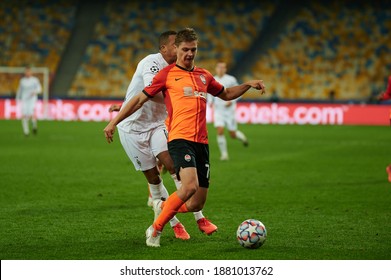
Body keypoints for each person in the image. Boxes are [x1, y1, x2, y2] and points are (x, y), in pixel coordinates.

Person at [103, 27, 266, 247]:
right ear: (177, 49)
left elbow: (226, 94)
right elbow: (140, 99)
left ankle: (163, 205)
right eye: (185, 49)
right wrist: (114, 121)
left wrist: (248, 85)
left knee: (196, 203)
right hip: (179, 138)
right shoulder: (166, 74)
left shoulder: (204, 75)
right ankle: (156, 229)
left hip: (202, 142)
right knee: (187, 187)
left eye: (193, 49)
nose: (189, 53)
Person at [108, 30, 216, 240]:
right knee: (153, 178)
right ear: (164, 48)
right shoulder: (152, 63)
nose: (181, 49)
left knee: (174, 166)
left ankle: (199, 216)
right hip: (131, 128)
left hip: (157, 124)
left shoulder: (181, 68)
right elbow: (152, 92)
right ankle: (174, 222)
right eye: (176, 45)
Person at [208, 61, 249, 161]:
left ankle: (243, 138)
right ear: (216, 68)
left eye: (223, 67)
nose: (221, 69)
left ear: (225, 69)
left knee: (232, 134)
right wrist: (210, 102)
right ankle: (224, 155)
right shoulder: (213, 79)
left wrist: (232, 100)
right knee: (220, 130)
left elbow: (240, 92)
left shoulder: (231, 79)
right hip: (218, 110)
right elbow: (209, 92)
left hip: (229, 111)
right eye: (219, 67)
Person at [16, 66, 42, 136]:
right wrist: (17, 98)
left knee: (31, 113)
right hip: (24, 99)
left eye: (28, 71)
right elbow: (19, 90)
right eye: (26, 72)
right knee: (24, 115)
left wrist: (35, 92)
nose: (27, 73)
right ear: (25, 73)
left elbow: (39, 89)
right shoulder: (22, 81)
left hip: (32, 99)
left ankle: (34, 125)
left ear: (31, 72)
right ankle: (26, 131)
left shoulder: (35, 80)